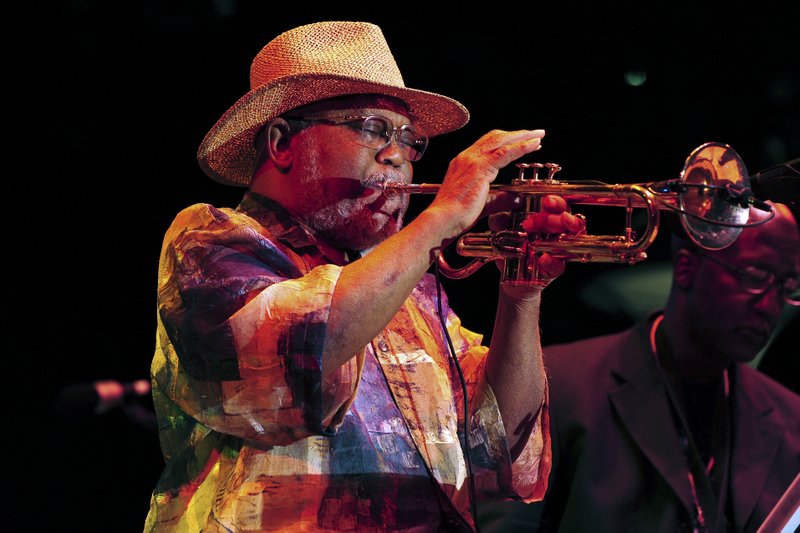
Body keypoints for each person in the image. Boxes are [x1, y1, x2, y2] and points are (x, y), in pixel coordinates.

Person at [144, 21, 585, 532]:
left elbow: (500, 448)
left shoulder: (412, 288)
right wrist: (442, 217)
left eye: (410, 140)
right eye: (374, 129)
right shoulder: (212, 242)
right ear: (284, 142)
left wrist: (522, 290)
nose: (398, 157)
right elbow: (286, 370)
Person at [478, 202, 800, 532]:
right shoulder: (556, 385)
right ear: (687, 268)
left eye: (788, 287)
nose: (770, 306)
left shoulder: (794, 420)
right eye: (755, 276)